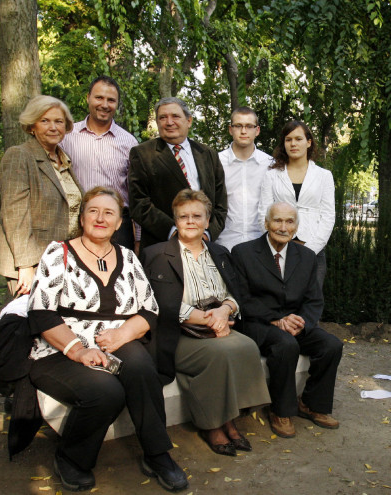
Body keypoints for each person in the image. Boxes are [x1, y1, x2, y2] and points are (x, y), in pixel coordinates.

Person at [27, 187, 187, 493]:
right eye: (93, 211)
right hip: (59, 348)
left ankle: (156, 454)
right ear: (82, 217)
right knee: (106, 391)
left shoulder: (127, 257)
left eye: (109, 213)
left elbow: (149, 309)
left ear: (118, 223)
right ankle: (71, 458)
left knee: (141, 367)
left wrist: (122, 333)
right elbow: (41, 313)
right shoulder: (58, 252)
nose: (100, 218)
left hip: (114, 340)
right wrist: (77, 350)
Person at [142, 189, 270, 457]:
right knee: (220, 354)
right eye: (183, 216)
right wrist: (209, 320)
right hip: (178, 333)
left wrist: (224, 311)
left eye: (196, 215)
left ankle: (229, 419)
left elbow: (237, 295)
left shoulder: (220, 252)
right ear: (175, 220)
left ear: (207, 220)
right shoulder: (156, 254)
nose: (190, 221)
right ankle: (211, 425)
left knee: (246, 346)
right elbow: (158, 303)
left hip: (217, 325)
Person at [231, 202, 343, 439]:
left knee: (331, 345)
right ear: (266, 223)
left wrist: (300, 322)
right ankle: (280, 410)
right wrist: (276, 320)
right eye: (277, 221)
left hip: (294, 322)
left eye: (289, 221)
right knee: (285, 345)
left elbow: (314, 301)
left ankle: (311, 404)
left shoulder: (307, 256)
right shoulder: (243, 253)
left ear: (296, 226)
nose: (283, 227)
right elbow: (242, 299)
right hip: (259, 323)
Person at [0, 95, 83, 296]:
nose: (53, 127)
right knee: (28, 321)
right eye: (45, 121)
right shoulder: (19, 155)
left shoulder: (63, 160)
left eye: (59, 121)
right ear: (32, 126)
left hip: (60, 257)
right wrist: (25, 266)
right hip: (31, 259)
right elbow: (15, 215)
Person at [129, 97, 228, 251]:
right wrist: (175, 232)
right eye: (163, 117)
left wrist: (207, 234)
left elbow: (220, 203)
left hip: (203, 245)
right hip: (162, 246)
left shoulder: (208, 154)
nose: (169, 122)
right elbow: (139, 203)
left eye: (175, 116)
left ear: (189, 121)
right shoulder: (142, 154)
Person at [60, 75, 140, 250]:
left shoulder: (128, 142)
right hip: (75, 222)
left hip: (117, 227)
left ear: (117, 104)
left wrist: (138, 238)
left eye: (111, 100)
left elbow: (136, 193)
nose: (105, 105)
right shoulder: (66, 137)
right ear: (88, 98)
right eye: (99, 97)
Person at [259, 121, 334, 288]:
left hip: (313, 249)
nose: (293, 143)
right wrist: (277, 244)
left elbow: (328, 216)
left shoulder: (324, 176)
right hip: (277, 250)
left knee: (310, 305)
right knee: (278, 303)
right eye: (288, 139)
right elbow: (263, 213)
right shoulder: (271, 176)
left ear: (308, 142)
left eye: (298, 139)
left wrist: (310, 250)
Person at [215, 106, 273, 251]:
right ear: (230, 129)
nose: (243, 131)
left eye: (249, 126)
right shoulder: (216, 162)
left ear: (257, 130)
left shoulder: (270, 164)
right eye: (238, 126)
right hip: (223, 244)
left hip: (261, 244)